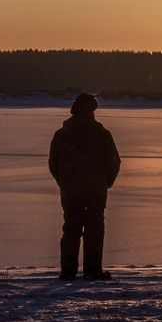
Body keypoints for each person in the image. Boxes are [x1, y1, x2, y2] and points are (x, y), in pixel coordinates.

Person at [48, 93, 121, 281]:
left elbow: (53, 165)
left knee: (71, 230)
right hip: (94, 192)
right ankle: (92, 270)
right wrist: (105, 183)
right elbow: (114, 162)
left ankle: (68, 272)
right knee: (93, 231)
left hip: (72, 192)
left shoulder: (62, 135)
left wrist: (65, 183)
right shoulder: (102, 135)